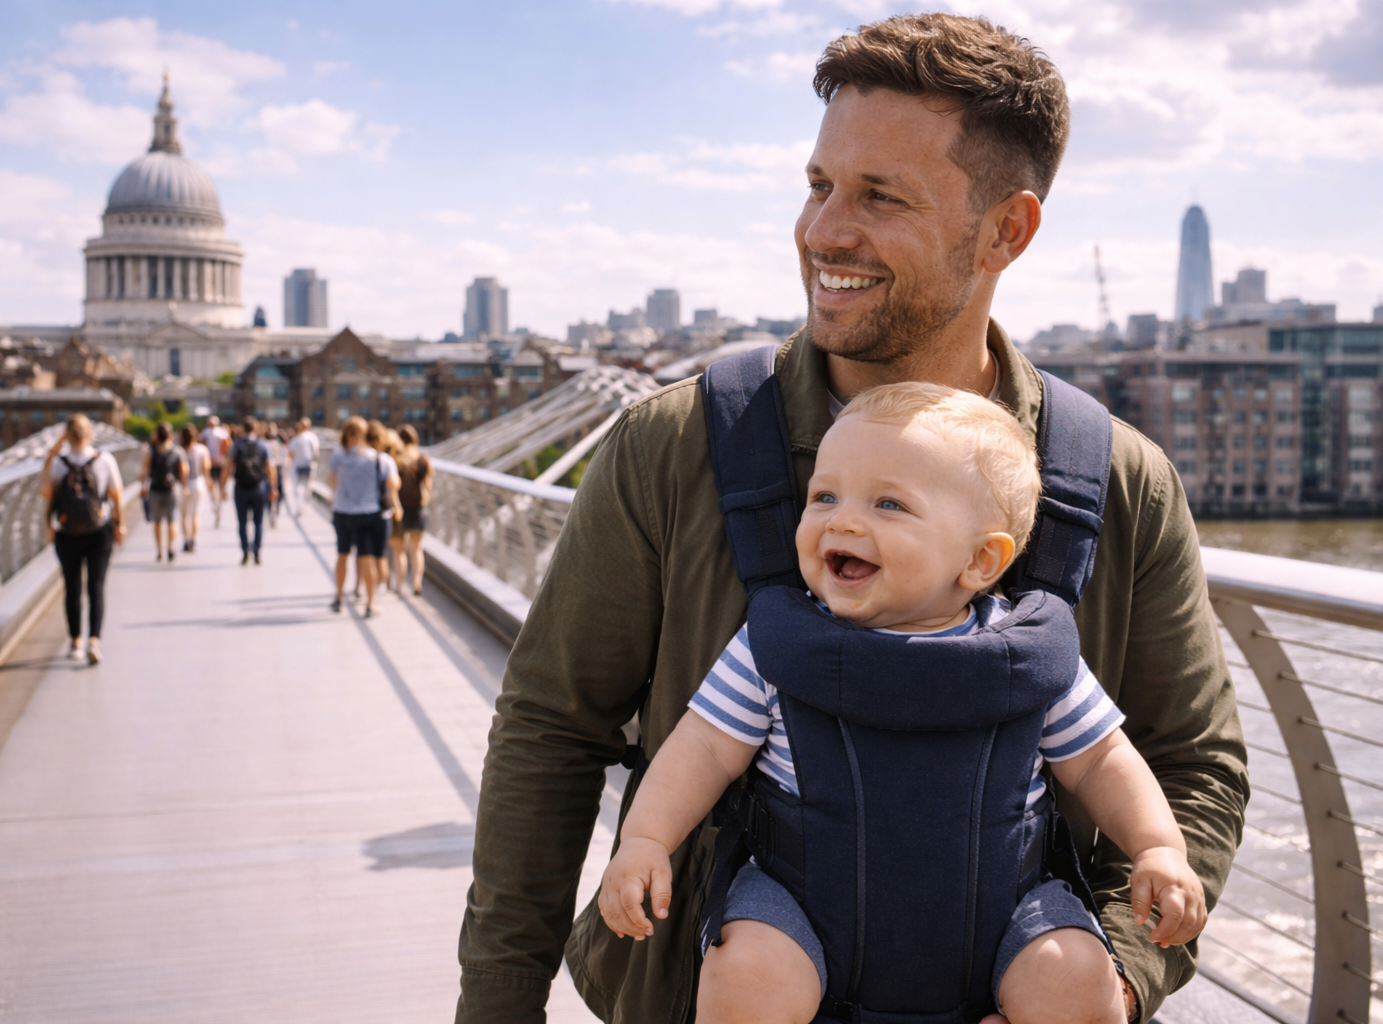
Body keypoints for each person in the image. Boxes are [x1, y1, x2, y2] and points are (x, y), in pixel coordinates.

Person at [457, 15, 1246, 1024]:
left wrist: (1115, 980)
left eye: (880, 196)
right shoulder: (674, 446)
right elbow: (551, 731)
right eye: (819, 184)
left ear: (1008, 230)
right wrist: (498, 1004)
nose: (824, 231)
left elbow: (1192, 766)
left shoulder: (1120, 483)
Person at [598, 383, 1207, 1024]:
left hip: (1008, 916)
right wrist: (644, 839)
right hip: (803, 910)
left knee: (1078, 980)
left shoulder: (1029, 656)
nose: (844, 520)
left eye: (889, 504)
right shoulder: (775, 647)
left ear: (981, 559)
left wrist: (1157, 849)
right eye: (824, 496)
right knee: (745, 972)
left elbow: (1101, 760)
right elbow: (702, 748)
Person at [41, 414, 125, 666]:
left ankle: (75, 642)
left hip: (67, 533)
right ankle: (94, 642)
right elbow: (116, 494)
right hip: (99, 531)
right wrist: (120, 525)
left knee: (72, 588)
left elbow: (46, 492)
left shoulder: (58, 463)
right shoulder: (104, 460)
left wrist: (49, 527)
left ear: (66, 436)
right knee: (96, 587)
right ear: (91, 434)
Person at [328, 415, 400, 618]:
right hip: (369, 512)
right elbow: (393, 484)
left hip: (342, 511)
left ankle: (338, 597)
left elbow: (332, 481)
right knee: (367, 558)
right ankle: (369, 603)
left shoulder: (338, 457)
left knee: (342, 555)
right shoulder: (380, 459)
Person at [390, 423, 433, 597]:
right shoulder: (423, 459)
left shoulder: (394, 459)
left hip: (399, 509)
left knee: (399, 550)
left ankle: (399, 586)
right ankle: (416, 583)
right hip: (418, 509)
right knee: (416, 549)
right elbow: (428, 487)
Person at [229, 416, 277, 565]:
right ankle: (257, 550)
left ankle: (245, 551)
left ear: (242, 429)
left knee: (242, 522)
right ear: (256, 429)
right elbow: (270, 468)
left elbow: (227, 467)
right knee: (258, 522)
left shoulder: (236, 445)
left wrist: (222, 486)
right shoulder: (263, 446)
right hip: (258, 487)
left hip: (241, 487)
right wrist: (273, 488)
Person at [141, 421, 187, 563]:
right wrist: (183, 485)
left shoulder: (151, 451)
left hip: (155, 489)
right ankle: (170, 547)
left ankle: (160, 550)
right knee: (172, 520)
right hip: (171, 489)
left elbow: (145, 472)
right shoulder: (177, 450)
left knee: (157, 522)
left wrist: (142, 485)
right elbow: (184, 471)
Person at [179, 423, 211, 554]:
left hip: (182, 485)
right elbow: (206, 468)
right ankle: (193, 538)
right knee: (195, 514)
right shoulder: (201, 449)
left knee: (184, 515)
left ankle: (186, 538)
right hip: (197, 483)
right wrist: (208, 482)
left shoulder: (179, 450)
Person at [202, 414, 231, 528]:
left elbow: (227, 446)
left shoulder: (216, 433)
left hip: (217, 463)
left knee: (216, 486)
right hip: (215, 463)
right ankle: (217, 505)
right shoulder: (218, 433)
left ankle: (217, 506)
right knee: (215, 486)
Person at [287, 416, 319, 517]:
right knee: (301, 488)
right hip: (299, 465)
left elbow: (315, 452)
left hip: (306, 465)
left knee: (305, 487)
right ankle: (300, 507)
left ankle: (303, 505)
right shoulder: (298, 438)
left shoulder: (308, 437)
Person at [264, 424, 288, 530]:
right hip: (269, 468)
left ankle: (276, 509)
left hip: (278, 467)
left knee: (281, 491)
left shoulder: (279, 441)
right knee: (270, 490)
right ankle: (270, 512)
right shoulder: (264, 442)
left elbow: (287, 445)